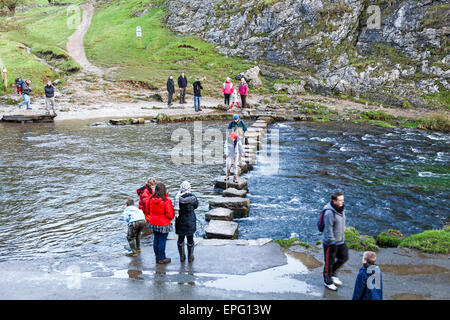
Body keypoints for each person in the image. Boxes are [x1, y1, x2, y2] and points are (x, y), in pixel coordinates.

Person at [322, 192, 348, 291]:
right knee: (329, 262)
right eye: (340, 200)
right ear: (334, 201)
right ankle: (327, 281)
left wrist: (342, 237)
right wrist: (332, 242)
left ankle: (332, 274)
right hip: (330, 242)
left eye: (343, 199)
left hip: (340, 240)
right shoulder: (329, 213)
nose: (343, 201)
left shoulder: (341, 209)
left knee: (344, 257)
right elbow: (328, 229)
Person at [145, 183, 174, 264]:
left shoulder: (150, 200)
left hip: (153, 223)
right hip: (163, 224)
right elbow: (169, 214)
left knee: (156, 240)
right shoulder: (166, 201)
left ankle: (157, 256)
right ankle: (162, 258)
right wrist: (172, 217)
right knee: (162, 241)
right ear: (164, 190)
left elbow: (147, 211)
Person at [174, 181, 199, 263]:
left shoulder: (177, 197)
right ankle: (190, 257)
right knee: (190, 239)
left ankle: (182, 257)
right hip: (190, 220)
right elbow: (196, 206)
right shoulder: (193, 197)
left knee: (180, 239)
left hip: (180, 220)